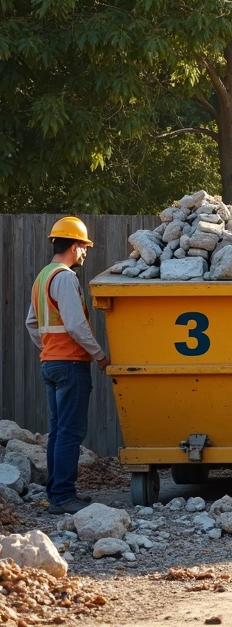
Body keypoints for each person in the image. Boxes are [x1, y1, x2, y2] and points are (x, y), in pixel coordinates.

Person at [26, 217, 109, 515]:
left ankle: (57, 493)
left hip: (51, 363)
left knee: (58, 431)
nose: (85, 252)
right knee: (70, 433)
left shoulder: (43, 277)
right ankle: (63, 496)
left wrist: (49, 349)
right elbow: (75, 325)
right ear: (74, 246)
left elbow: (31, 323)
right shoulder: (64, 277)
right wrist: (99, 355)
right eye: (84, 247)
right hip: (71, 364)